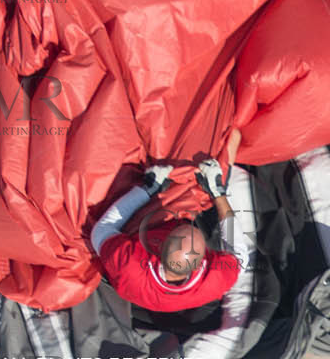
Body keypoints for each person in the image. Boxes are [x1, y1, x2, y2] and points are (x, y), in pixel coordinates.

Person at [90, 134, 242, 313]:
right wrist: (217, 193)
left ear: (158, 247)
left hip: (141, 230)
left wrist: (146, 190)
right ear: (202, 262)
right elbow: (238, 252)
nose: (179, 222)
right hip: (149, 286)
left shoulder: (130, 265)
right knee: (232, 139)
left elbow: (101, 230)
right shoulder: (216, 279)